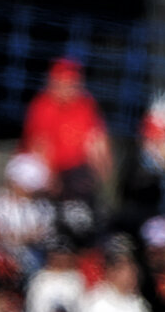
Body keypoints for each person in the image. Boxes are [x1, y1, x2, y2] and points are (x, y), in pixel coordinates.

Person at [21, 57, 110, 203]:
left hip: (74, 167)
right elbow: (40, 146)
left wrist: (102, 174)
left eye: (72, 83)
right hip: (44, 166)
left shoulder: (86, 105)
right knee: (29, 174)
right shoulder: (42, 105)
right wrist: (52, 178)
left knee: (82, 185)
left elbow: (96, 141)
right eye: (63, 83)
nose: (68, 88)